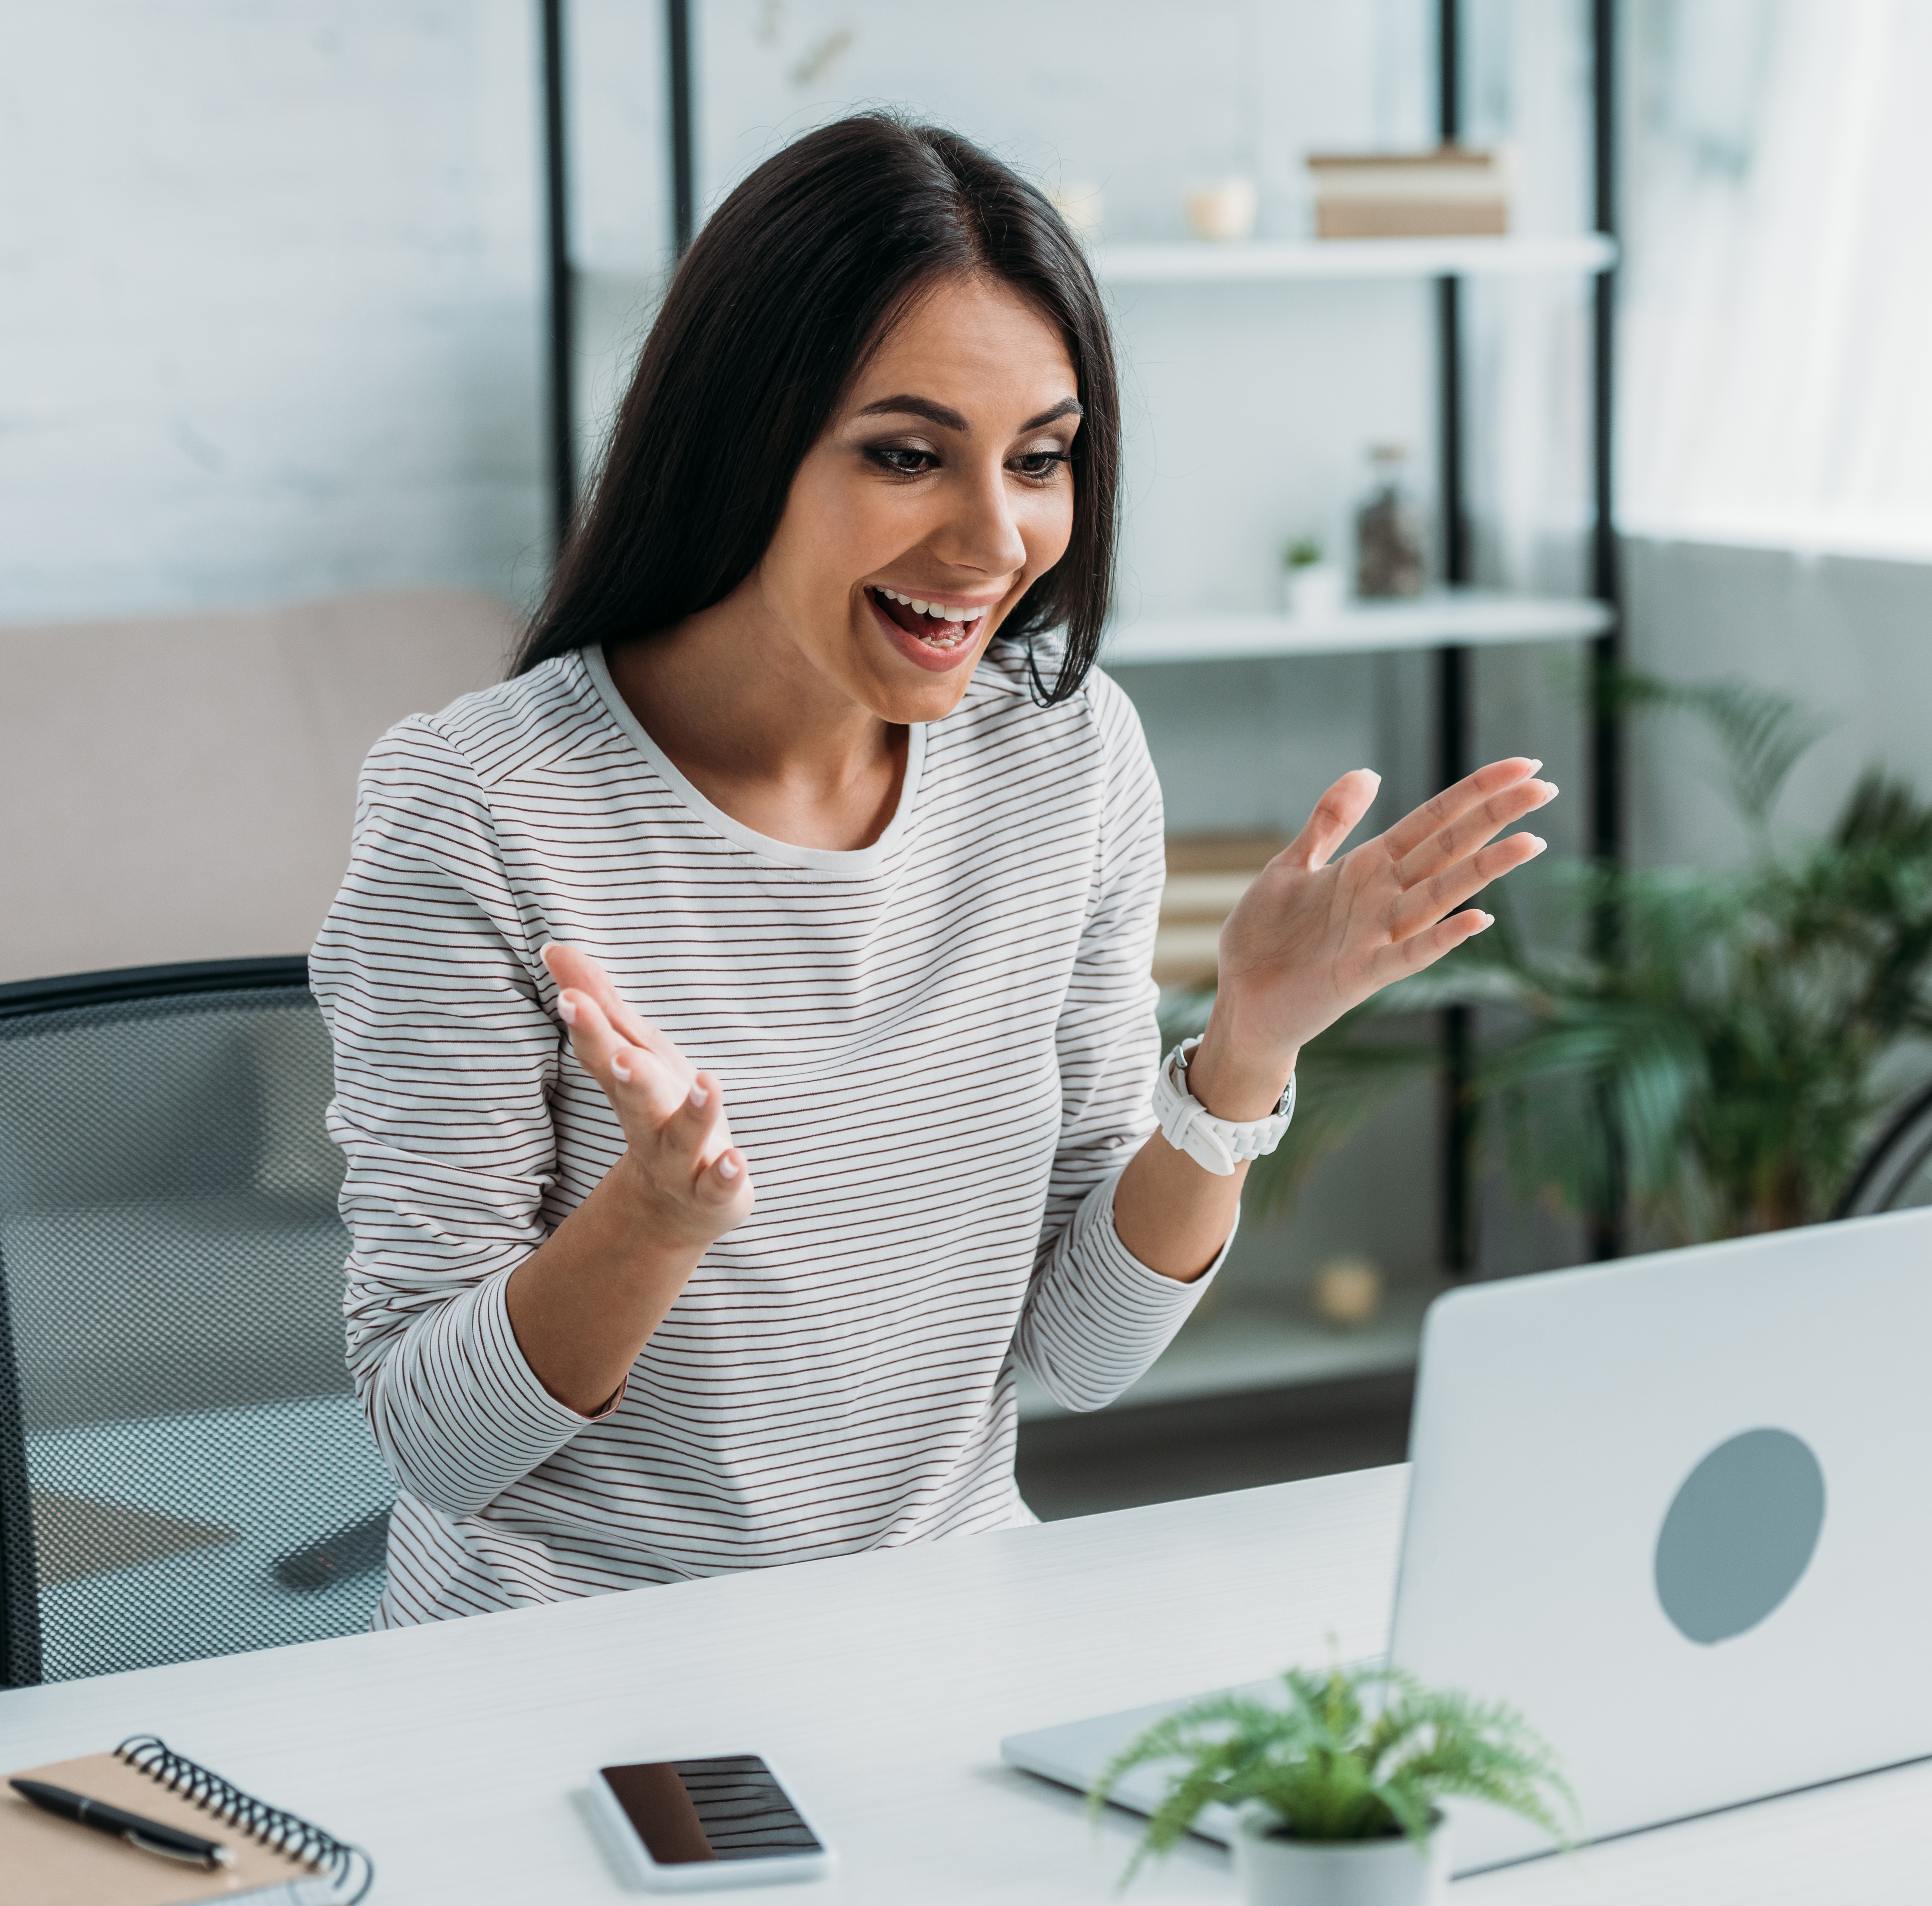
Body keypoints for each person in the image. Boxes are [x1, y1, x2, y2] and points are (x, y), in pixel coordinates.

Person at [312, 114, 1554, 1625]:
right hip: (571, 1667)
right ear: (740, 442)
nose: (993, 540)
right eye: (907, 456)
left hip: (941, 1635)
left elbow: (1081, 1357)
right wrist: (651, 1222)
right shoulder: (479, 806)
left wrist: (1241, 1057)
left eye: (1041, 459)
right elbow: (437, 1443)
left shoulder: (1069, 759)